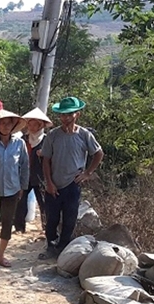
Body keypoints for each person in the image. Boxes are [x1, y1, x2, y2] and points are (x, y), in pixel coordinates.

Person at [40, 96, 104, 259]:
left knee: (70, 219)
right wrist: (49, 182)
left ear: (77, 115)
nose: (65, 118)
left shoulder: (84, 135)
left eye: (69, 114)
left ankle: (63, 248)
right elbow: (46, 160)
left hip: (73, 184)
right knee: (52, 218)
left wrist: (87, 173)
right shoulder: (53, 135)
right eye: (62, 115)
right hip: (54, 183)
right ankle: (51, 246)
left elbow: (98, 153)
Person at [0, 109, 29, 267]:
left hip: (12, 189)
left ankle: (1, 256)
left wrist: (23, 186)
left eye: (9, 123)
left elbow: (24, 165)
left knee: (7, 222)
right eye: (3, 123)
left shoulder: (19, 143)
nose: (6, 126)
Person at [14, 107, 53, 233]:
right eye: (29, 123)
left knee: (44, 203)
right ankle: (19, 227)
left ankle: (46, 228)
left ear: (40, 125)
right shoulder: (24, 140)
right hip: (25, 175)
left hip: (41, 176)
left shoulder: (47, 140)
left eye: (34, 124)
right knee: (20, 202)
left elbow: (54, 157)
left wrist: (45, 155)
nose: (30, 126)